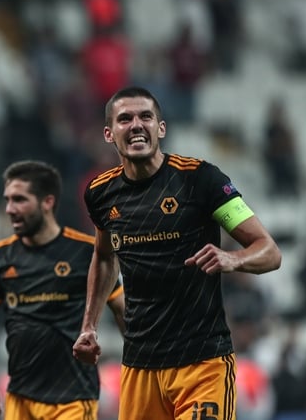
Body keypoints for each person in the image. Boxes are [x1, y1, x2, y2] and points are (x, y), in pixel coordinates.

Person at [72, 86, 281, 420]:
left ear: (161, 128)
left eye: (146, 116)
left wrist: (233, 259)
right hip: (140, 367)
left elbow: (269, 251)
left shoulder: (201, 180)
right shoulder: (100, 193)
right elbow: (105, 255)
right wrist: (89, 326)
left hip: (203, 363)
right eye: (125, 119)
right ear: (110, 134)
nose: (136, 124)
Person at [0, 160, 125, 420]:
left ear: (47, 202)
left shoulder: (87, 252)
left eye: (20, 200)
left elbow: (123, 313)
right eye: (8, 200)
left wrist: (147, 368)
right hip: (20, 399)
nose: (10, 209)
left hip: (73, 400)